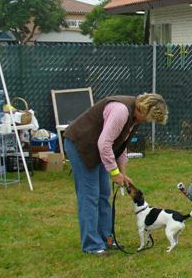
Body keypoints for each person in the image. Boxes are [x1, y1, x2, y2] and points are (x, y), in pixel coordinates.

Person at [64, 93, 168, 256]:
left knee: (104, 194)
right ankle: (92, 245)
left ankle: (107, 239)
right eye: (148, 118)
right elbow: (104, 143)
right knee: (90, 196)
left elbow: (121, 144)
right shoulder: (121, 111)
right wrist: (114, 172)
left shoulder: (135, 117)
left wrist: (122, 174)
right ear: (144, 108)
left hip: (98, 148)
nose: (147, 121)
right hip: (81, 145)